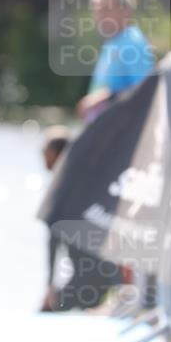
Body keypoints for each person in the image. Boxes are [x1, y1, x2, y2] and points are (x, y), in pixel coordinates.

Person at [38, 125, 125, 312]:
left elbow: (53, 241)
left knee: (46, 312)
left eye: (45, 152)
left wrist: (49, 287)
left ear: (57, 154)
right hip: (107, 276)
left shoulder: (62, 191)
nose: (42, 157)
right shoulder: (90, 183)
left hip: (91, 277)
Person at [76, 0, 155, 123]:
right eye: (97, 10)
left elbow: (146, 93)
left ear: (125, 10)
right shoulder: (112, 43)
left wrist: (108, 97)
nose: (99, 16)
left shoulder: (133, 42)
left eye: (106, 9)